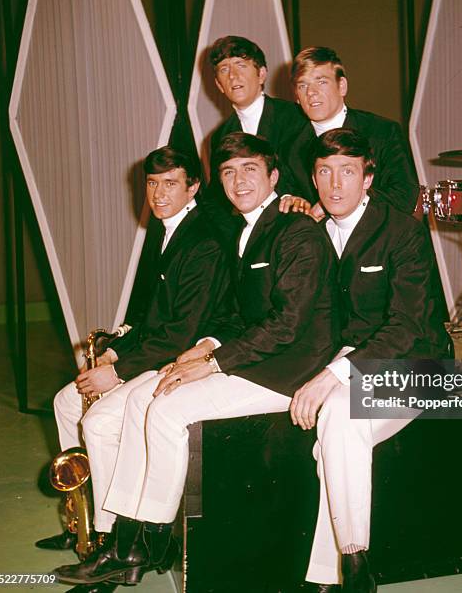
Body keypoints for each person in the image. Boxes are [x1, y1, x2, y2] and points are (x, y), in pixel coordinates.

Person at [53, 133, 340, 587]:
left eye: (249, 170)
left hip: (286, 370)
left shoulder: (297, 232)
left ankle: (140, 544)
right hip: (249, 357)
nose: (238, 180)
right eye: (228, 172)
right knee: (140, 399)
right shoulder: (246, 231)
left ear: (274, 177)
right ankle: (126, 540)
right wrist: (203, 344)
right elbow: (232, 315)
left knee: (166, 411)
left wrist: (214, 362)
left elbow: (287, 325)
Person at [39, 147, 232, 589]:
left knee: (100, 420)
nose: (158, 193)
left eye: (170, 183)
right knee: (67, 402)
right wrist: (112, 353)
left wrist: (120, 371)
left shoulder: (202, 239)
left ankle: (110, 539)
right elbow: (151, 316)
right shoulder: (167, 231)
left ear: (193, 187)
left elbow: (185, 330)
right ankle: (81, 524)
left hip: (182, 357)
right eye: (152, 183)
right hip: (154, 349)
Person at [289, 129, 451, 592]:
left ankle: (346, 569)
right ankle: (345, 572)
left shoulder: (402, 231)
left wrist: (331, 376)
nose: (334, 184)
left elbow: (406, 327)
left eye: (347, 172)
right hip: (356, 358)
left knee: (338, 416)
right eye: (324, 172)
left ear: (368, 178)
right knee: (335, 438)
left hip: (421, 364)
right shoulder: (314, 234)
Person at [284, 46, 419, 220]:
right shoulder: (290, 147)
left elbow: (404, 195)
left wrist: (335, 205)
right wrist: (293, 202)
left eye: (321, 82)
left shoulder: (382, 132)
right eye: (303, 85)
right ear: (296, 96)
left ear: (342, 86)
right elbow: (287, 195)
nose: (311, 93)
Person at [201, 36, 308, 240]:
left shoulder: (295, 117)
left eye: (241, 65)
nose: (233, 76)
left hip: (297, 228)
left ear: (261, 74)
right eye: (224, 69)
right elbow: (216, 199)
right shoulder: (220, 136)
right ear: (219, 85)